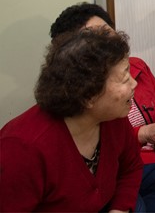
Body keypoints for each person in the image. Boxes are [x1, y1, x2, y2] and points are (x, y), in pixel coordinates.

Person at [49, 3, 155, 212]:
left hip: (145, 164)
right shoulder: (82, 97)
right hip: (110, 173)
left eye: (108, 31)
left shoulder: (137, 67)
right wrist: (144, 133)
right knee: (135, 205)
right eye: (96, 38)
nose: (132, 83)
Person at [0, 28, 142, 212]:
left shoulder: (112, 117)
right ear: (88, 95)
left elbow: (131, 166)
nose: (134, 83)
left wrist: (120, 209)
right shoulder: (22, 149)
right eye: (124, 78)